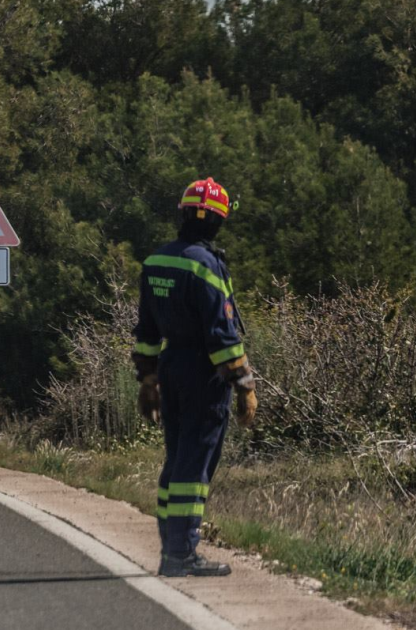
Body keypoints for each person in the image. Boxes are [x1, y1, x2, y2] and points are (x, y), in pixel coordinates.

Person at [132, 177, 258, 578]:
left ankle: (171, 545)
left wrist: (148, 381)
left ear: (183, 214)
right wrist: (244, 386)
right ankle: (181, 554)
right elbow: (221, 337)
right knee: (194, 463)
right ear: (218, 222)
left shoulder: (156, 262)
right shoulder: (207, 266)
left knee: (176, 459)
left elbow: (147, 332)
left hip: (170, 368)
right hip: (204, 375)